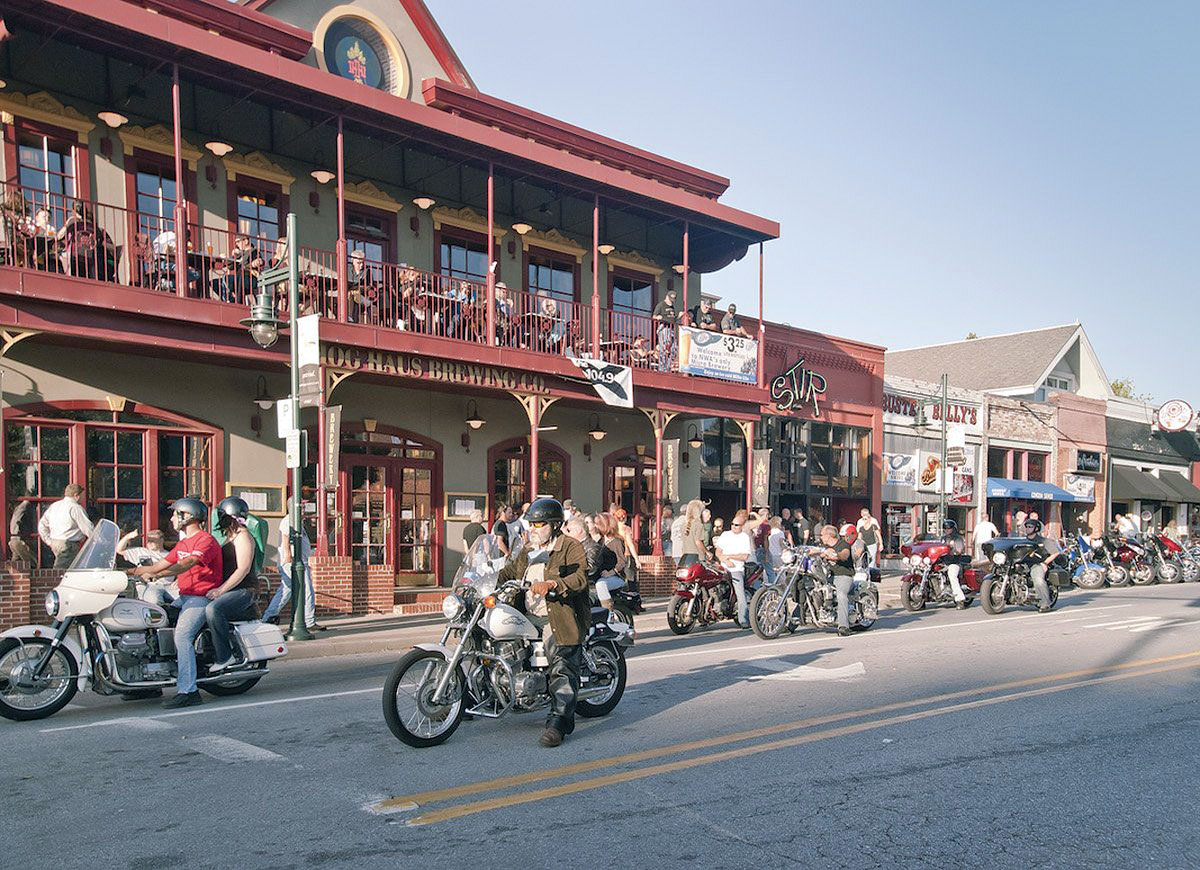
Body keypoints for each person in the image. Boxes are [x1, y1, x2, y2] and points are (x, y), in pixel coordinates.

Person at [495, 498, 589, 747]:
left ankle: (558, 722)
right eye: (531, 524)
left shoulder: (569, 547)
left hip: (557, 615)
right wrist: (481, 580)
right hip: (526, 614)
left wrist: (553, 584)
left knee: (561, 661)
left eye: (538, 524)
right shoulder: (528, 550)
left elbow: (580, 577)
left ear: (554, 524)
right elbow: (508, 572)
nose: (533, 529)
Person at [130, 497, 223, 708]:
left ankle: (189, 691)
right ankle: (150, 684)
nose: (172, 518)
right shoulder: (183, 543)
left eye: (175, 514)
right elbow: (157, 566)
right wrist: (124, 572)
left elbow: (187, 563)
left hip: (200, 597)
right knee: (152, 620)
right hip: (184, 596)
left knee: (182, 635)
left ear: (188, 516)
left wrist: (158, 574)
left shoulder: (205, 541)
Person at [206, 497, 261, 672]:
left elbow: (243, 569)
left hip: (245, 589)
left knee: (214, 609)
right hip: (232, 588)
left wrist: (221, 590)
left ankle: (225, 656)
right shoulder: (231, 537)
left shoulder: (243, 537)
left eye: (221, 515)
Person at [262, 499, 320, 631]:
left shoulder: (298, 521)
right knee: (306, 589)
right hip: (294, 562)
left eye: (305, 506)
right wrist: (288, 556)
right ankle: (309, 621)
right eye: (302, 505)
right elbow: (285, 537)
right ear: (293, 507)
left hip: (299, 561)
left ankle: (269, 616)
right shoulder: (289, 520)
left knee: (287, 590)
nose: (304, 508)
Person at [37, 483, 94, 569]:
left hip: (55, 542)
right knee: (59, 572)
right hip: (69, 545)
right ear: (76, 496)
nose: (83, 498)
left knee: (67, 571)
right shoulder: (75, 508)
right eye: (82, 495)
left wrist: (49, 541)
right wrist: (99, 539)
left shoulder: (54, 506)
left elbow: (42, 525)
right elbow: (87, 528)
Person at [714, 509, 754, 627]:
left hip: (736, 569)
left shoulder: (744, 537)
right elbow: (718, 551)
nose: (733, 526)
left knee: (740, 593)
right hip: (723, 568)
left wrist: (730, 556)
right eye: (732, 524)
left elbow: (745, 556)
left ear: (742, 526)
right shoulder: (725, 535)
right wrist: (725, 559)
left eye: (736, 525)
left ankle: (743, 620)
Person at [818, 524, 855, 637]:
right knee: (811, 589)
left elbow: (845, 554)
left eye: (822, 535)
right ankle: (791, 622)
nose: (820, 537)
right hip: (829, 577)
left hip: (844, 576)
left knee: (841, 595)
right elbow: (814, 551)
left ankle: (843, 626)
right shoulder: (824, 547)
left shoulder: (843, 544)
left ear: (829, 535)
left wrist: (836, 555)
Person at [1022, 518, 1058, 613]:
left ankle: (1045, 604)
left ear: (1036, 528)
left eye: (1030, 527)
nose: (1027, 529)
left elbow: (1055, 553)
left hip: (1036, 564)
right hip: (1023, 564)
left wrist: (1045, 563)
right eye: (1026, 527)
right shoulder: (1021, 541)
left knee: (1038, 579)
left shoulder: (1043, 541)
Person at [941, 519, 971, 609]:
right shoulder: (943, 539)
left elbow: (959, 549)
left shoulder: (958, 538)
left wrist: (954, 551)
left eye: (949, 528)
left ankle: (960, 599)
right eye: (945, 528)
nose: (946, 530)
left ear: (953, 529)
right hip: (943, 562)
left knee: (952, 574)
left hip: (954, 562)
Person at [652, 289, 679, 371]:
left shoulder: (672, 307)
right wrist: (658, 317)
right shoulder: (661, 305)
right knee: (663, 348)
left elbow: (672, 319)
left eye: (673, 300)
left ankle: (668, 367)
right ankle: (662, 368)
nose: (672, 301)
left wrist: (679, 317)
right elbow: (654, 316)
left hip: (671, 328)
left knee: (674, 349)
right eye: (671, 299)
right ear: (667, 296)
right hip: (664, 327)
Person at [678, 500, 710, 568]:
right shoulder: (698, 525)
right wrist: (707, 552)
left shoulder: (683, 525)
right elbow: (698, 542)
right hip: (698, 558)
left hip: (686, 558)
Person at [8, 498, 36, 563]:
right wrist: (27, 498)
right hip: (17, 540)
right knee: (33, 563)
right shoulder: (18, 511)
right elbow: (23, 506)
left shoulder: (15, 513)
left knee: (16, 562)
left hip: (13, 540)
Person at [766, 517, 787, 583]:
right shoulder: (780, 533)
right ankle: (782, 588)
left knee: (769, 572)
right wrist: (785, 550)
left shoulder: (769, 532)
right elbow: (782, 544)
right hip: (778, 554)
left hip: (769, 554)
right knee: (781, 573)